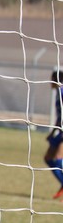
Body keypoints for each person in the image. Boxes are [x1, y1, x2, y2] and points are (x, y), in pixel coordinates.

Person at [46, 70, 63, 199]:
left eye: (51, 78)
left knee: (57, 157)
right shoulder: (58, 93)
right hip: (60, 130)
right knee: (48, 158)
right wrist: (52, 132)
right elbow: (59, 116)